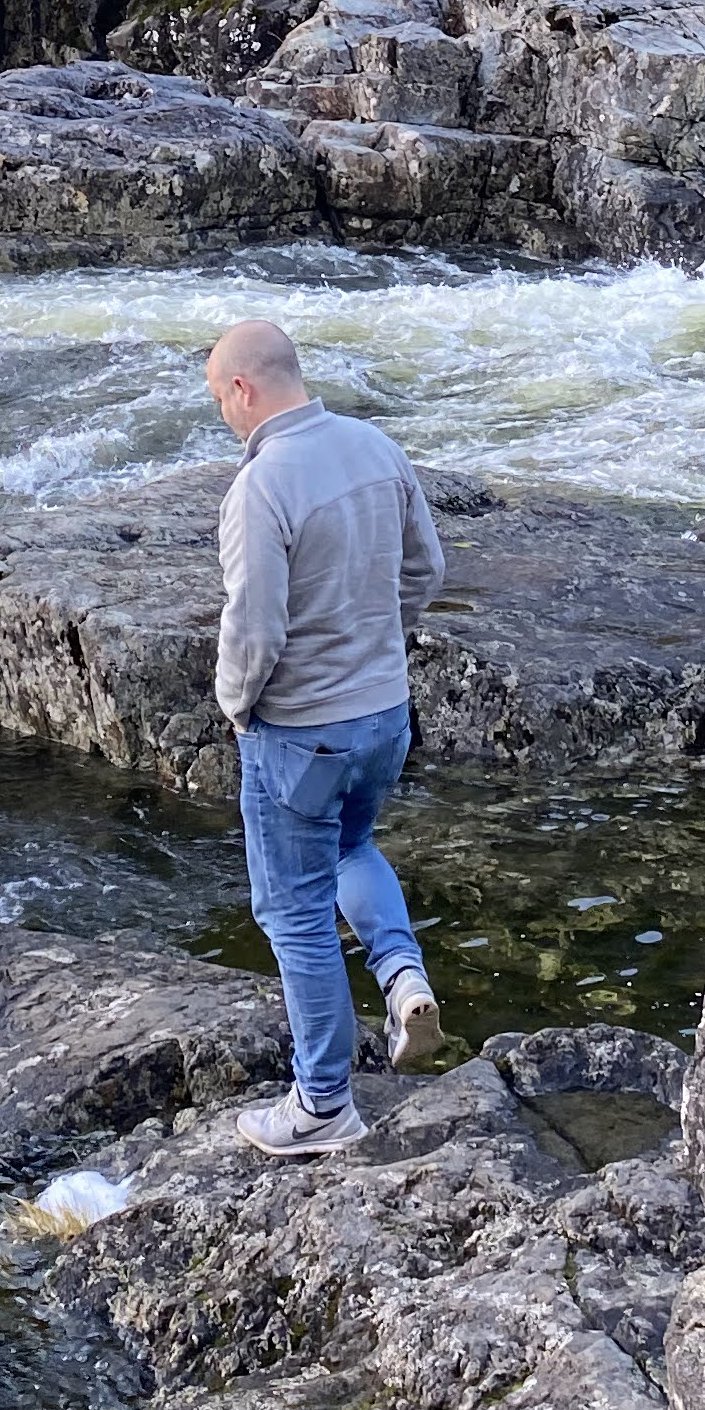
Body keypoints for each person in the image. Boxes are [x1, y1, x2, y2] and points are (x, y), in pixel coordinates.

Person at [203, 315, 445, 1156]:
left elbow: (256, 628)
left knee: (295, 914)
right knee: (352, 847)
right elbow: (427, 571)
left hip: (300, 734)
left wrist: (236, 706)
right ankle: (402, 978)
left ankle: (322, 1105)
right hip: (385, 716)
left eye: (219, 400)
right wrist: (375, 646)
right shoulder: (377, 447)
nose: (224, 417)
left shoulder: (260, 487)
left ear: (243, 389)